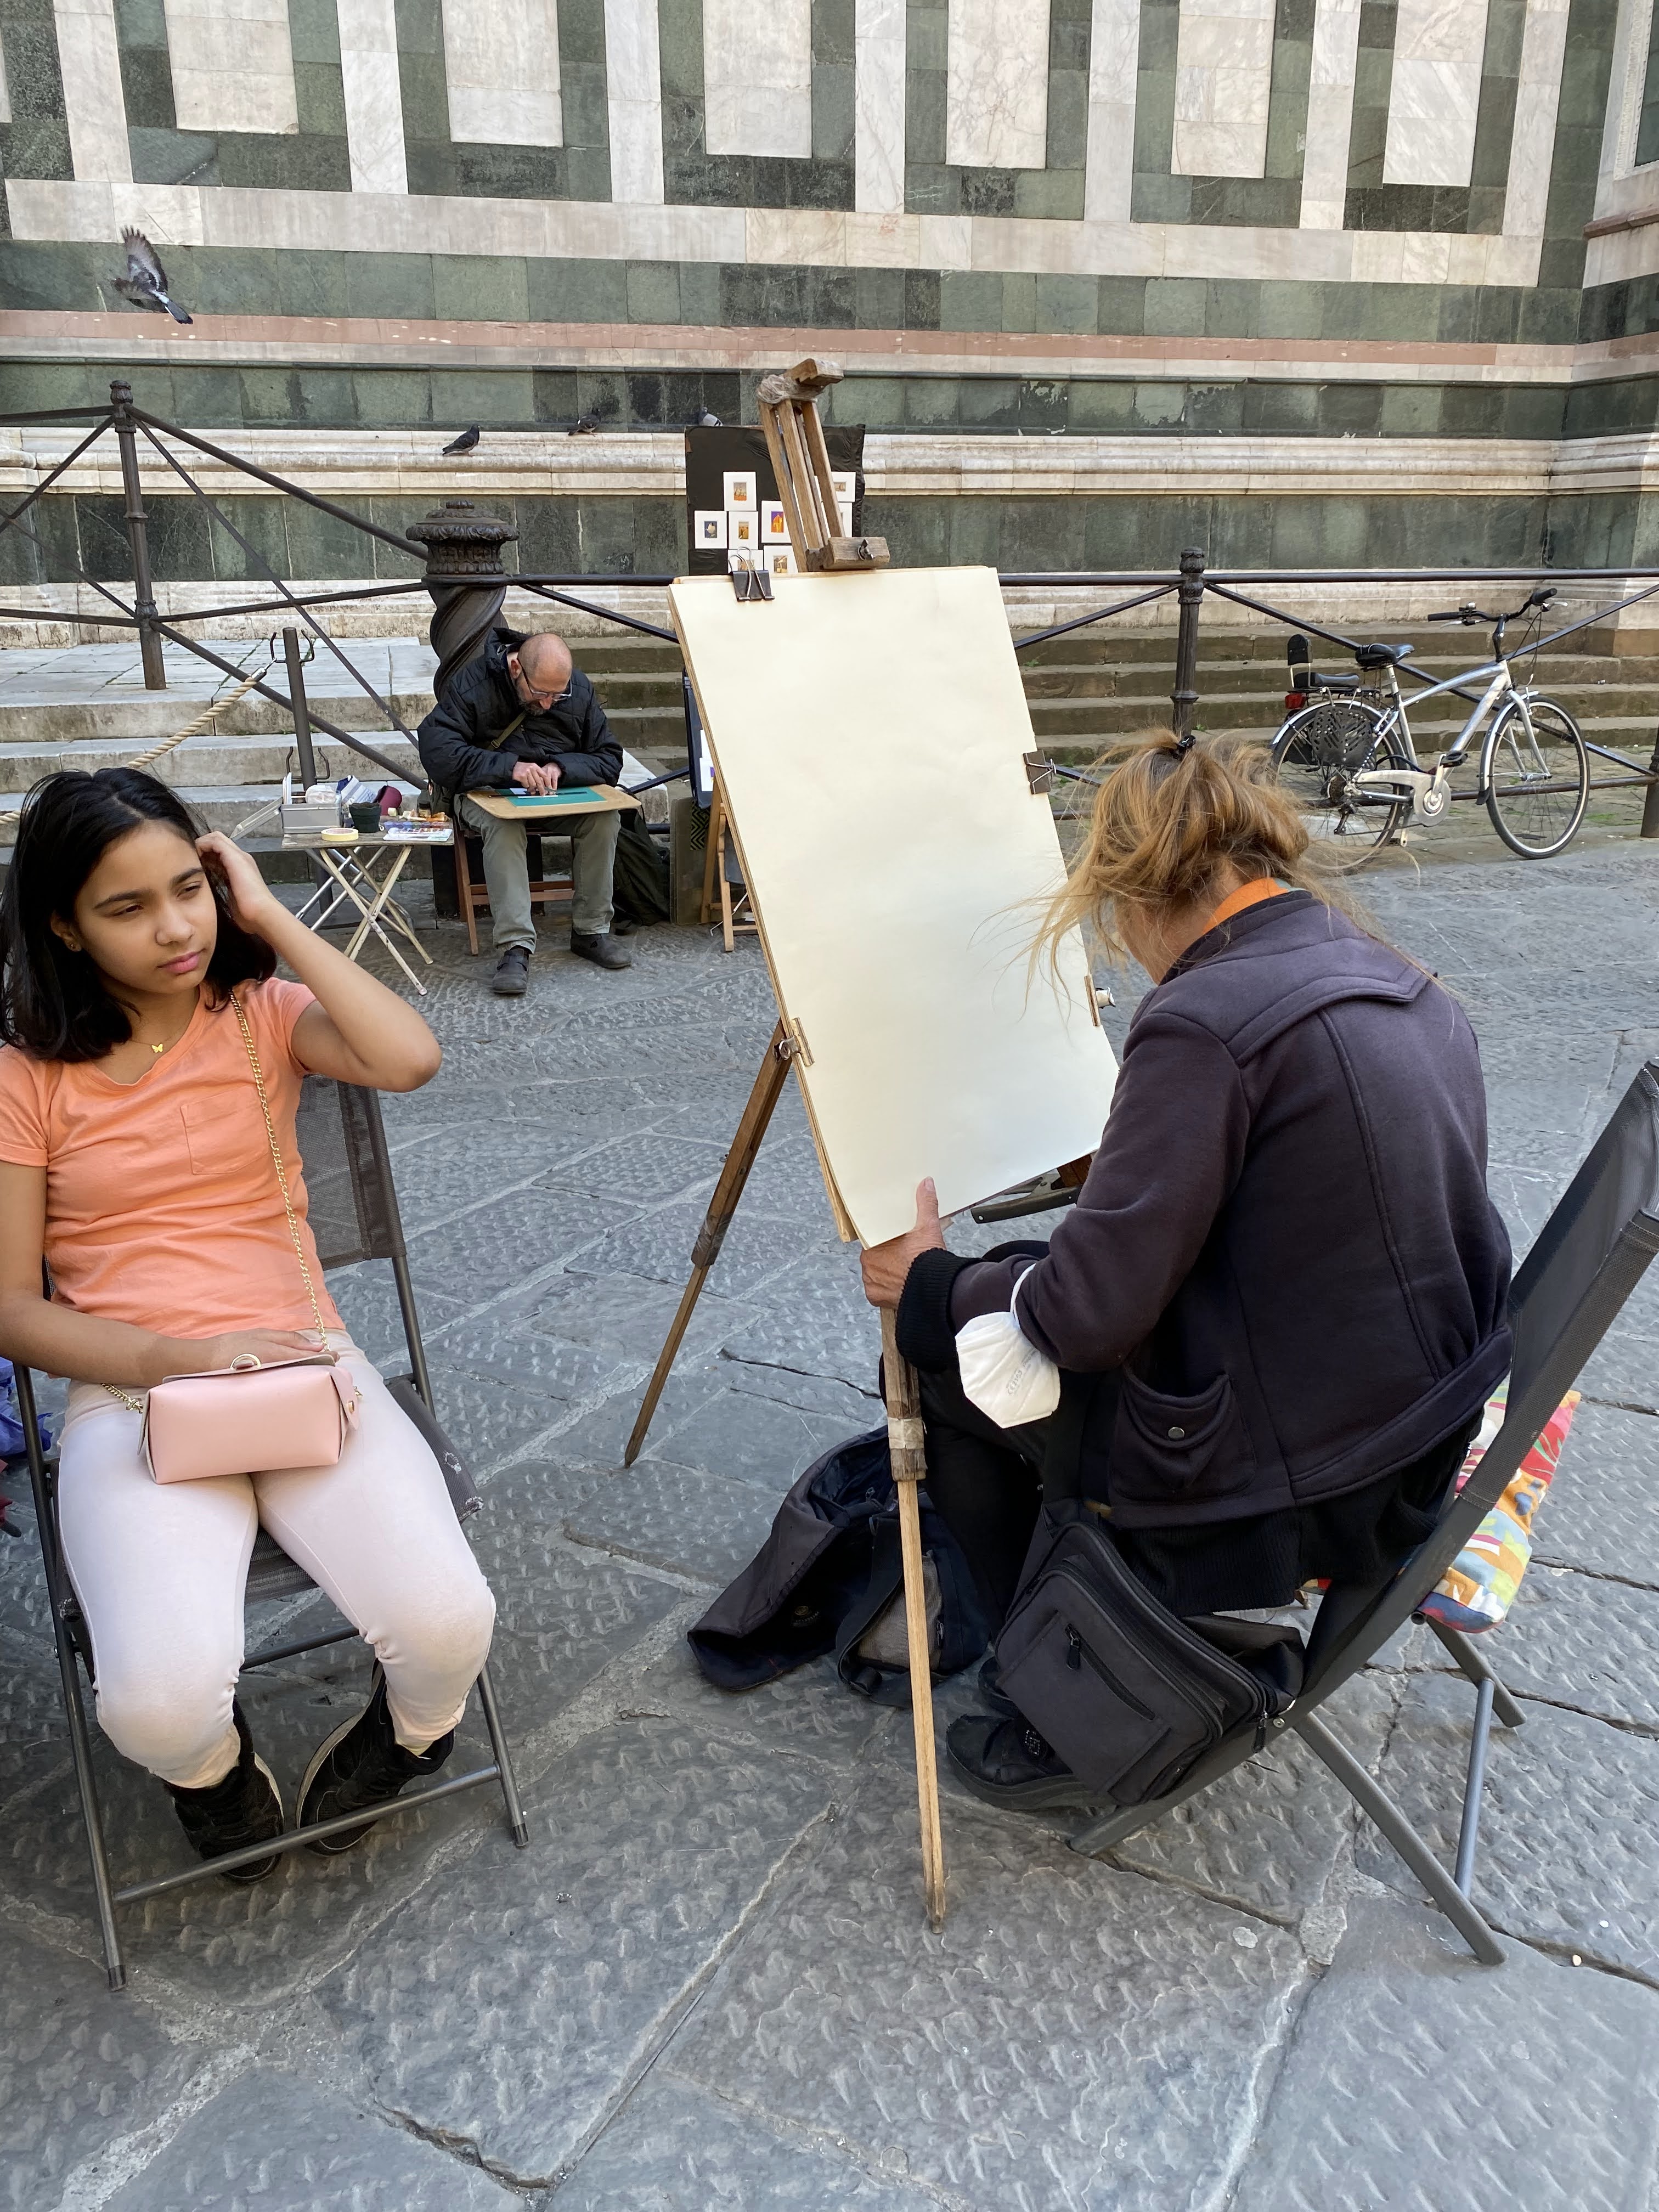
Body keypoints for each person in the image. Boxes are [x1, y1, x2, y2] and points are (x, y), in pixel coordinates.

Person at [860, 731, 1513, 1807]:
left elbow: (1084, 1318)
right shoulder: (1394, 974)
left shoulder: (1203, 1022)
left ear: (1131, 896)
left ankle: (1053, 1696)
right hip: (1423, 1447)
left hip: (1297, 1496)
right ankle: (1067, 1612)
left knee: (946, 1354)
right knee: (1006, 1297)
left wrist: (931, 1282)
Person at [0, 769, 496, 1880]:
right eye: (127, 908)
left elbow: (410, 1059)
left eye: (190, 888)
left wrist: (268, 917)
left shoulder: (261, 1015)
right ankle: (217, 1775)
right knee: (155, 1704)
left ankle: (410, 1739)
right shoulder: (26, 1075)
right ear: (63, 928)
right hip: (135, 1391)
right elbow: (11, 1310)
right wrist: (175, 1358)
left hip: (306, 1363)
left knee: (450, 1625)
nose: (176, 927)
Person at [416, 625, 631, 991]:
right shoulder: (472, 684)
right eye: (541, 694)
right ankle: (515, 946)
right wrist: (509, 768)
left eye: (557, 696)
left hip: (554, 794)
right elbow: (438, 752)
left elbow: (609, 759)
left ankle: (592, 931)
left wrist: (562, 768)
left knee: (604, 818)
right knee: (505, 826)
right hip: (487, 792)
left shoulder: (575, 688)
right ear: (517, 669)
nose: (548, 704)